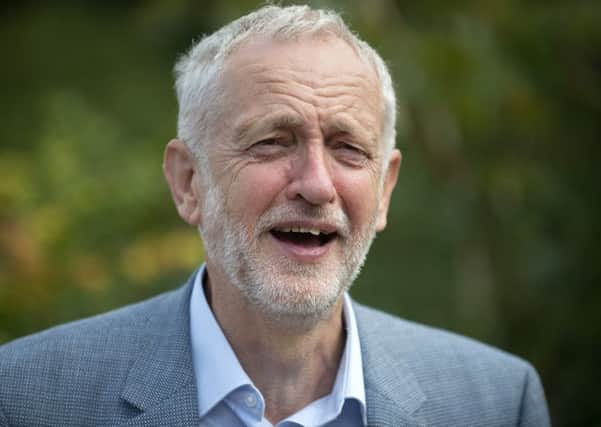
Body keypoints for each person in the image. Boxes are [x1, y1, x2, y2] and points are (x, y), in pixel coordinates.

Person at [0, 5, 550, 427]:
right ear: (188, 182)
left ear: (384, 189)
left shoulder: (496, 401)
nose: (316, 184)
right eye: (271, 142)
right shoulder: (25, 396)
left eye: (348, 148)